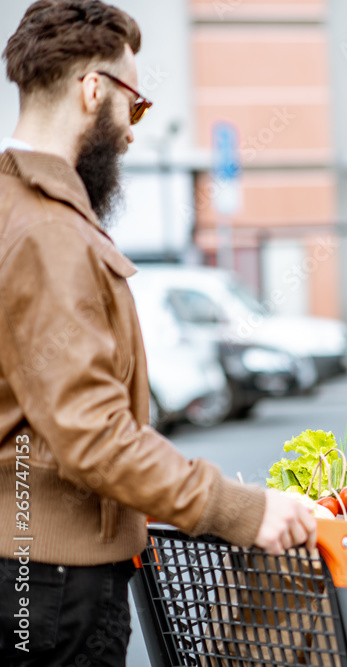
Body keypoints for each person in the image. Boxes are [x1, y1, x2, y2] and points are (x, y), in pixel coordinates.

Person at [0, 3, 316, 665]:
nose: (133, 133)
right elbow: (91, 433)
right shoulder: (50, 232)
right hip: (52, 584)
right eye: (134, 106)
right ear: (93, 90)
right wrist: (240, 508)